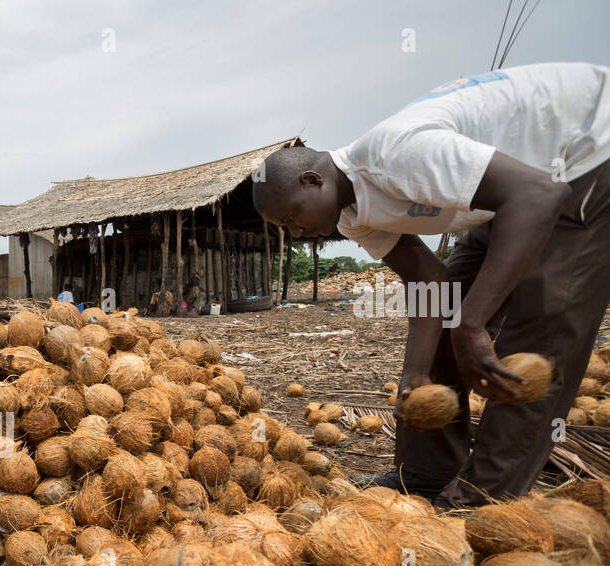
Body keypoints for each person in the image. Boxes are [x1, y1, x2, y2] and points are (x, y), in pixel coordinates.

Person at [253, 63, 610, 508]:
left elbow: (541, 197)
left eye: (291, 219)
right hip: (514, 194)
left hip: (586, 155)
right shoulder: (350, 215)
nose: (297, 234)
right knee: (450, 320)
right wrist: (414, 372)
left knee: (539, 331)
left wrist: (473, 323)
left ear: (312, 180)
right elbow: (429, 281)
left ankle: (481, 502)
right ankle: (424, 476)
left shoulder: (396, 154)